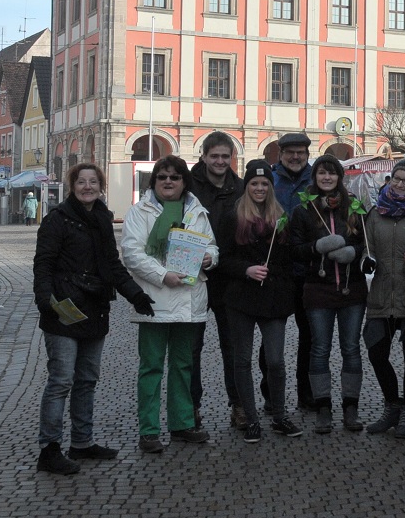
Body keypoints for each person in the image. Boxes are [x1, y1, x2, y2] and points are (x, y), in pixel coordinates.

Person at [32, 163, 156, 474]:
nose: (87, 187)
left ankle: (82, 442)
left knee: (87, 380)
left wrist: (136, 295)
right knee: (61, 380)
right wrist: (45, 301)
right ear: (72, 186)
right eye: (81, 182)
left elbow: (112, 265)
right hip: (63, 310)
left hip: (95, 307)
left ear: (101, 186)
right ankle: (49, 449)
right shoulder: (57, 220)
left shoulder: (102, 219)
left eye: (93, 182)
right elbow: (43, 265)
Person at [121, 154, 218, 453]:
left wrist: (210, 258)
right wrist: (163, 275)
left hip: (189, 299)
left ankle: (182, 423)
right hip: (155, 298)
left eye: (174, 177)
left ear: (183, 181)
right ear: (154, 181)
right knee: (151, 368)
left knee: (183, 365)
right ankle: (149, 430)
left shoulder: (197, 211)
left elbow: (212, 245)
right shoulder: (140, 211)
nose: (168, 181)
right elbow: (132, 253)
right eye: (162, 176)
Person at [214, 159, 303, 444]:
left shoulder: (281, 217)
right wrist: (246, 270)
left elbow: (288, 260)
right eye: (254, 183)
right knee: (242, 360)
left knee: (275, 361)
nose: (260, 188)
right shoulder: (233, 217)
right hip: (241, 298)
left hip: (273, 299)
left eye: (265, 183)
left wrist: (279, 279)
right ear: (247, 186)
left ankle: (279, 415)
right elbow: (222, 259)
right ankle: (251, 419)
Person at [289, 155, 367, 434]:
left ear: (339, 177)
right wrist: (316, 247)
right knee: (320, 349)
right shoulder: (303, 210)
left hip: (351, 288)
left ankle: (351, 408)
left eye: (332, 173)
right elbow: (294, 249)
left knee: (351, 348)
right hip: (317, 288)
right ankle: (323, 407)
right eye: (322, 173)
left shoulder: (354, 206)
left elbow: (366, 243)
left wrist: (353, 251)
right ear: (315, 177)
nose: (327, 178)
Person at [362, 158, 405, 439]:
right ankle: (392, 405)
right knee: (376, 352)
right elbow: (367, 247)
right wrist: (366, 260)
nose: (400, 184)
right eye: (397, 178)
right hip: (381, 294)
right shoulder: (376, 212)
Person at [188, 132, 245, 431]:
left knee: (233, 347)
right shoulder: (187, 186)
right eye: (215, 156)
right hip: (194, 277)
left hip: (229, 278)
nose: (220, 161)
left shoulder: (241, 187)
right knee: (191, 348)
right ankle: (191, 408)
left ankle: (239, 405)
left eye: (225, 156)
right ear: (204, 156)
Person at [270, 133, 315, 412]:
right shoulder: (270, 179)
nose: (296, 157)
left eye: (300, 153)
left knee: (309, 336)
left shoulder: (316, 180)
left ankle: (306, 392)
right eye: (290, 153)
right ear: (281, 154)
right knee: (271, 335)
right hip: (275, 268)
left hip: (307, 269)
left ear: (307, 155)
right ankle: (270, 394)